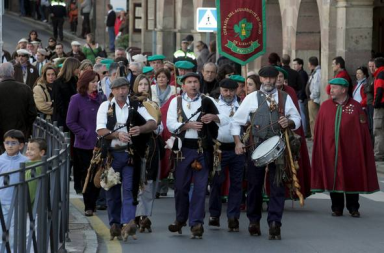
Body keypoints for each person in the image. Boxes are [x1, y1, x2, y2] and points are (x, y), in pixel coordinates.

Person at [231, 66, 301, 239]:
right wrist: (238, 142)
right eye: (265, 78)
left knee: (277, 185)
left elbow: (297, 119)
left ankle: (274, 223)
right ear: (260, 80)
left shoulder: (285, 98)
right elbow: (236, 122)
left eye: (272, 78)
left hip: (279, 147)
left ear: (277, 78)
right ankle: (254, 221)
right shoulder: (251, 98)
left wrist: (289, 122)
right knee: (254, 185)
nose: (268, 81)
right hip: (256, 146)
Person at [96, 77, 157, 239]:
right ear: (113, 91)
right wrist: (116, 134)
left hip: (130, 155)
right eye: (118, 89)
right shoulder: (106, 106)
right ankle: (115, 224)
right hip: (111, 156)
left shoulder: (136, 104)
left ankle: (128, 222)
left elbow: (153, 123)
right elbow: (100, 130)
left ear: (128, 89)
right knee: (112, 191)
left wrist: (140, 128)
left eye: (125, 88)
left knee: (130, 189)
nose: (122, 92)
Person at [311, 78, 379, 217]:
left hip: (351, 151)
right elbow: (319, 129)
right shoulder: (325, 106)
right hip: (330, 150)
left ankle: (353, 207)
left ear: (343, 90)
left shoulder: (356, 107)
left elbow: (362, 130)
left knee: (351, 175)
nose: (331, 90)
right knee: (333, 175)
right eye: (331, 87)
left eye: (334, 88)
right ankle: (337, 207)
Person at [166, 72, 219, 238]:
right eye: (189, 82)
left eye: (195, 81)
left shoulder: (207, 101)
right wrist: (187, 125)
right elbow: (170, 124)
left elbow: (223, 119)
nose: (193, 85)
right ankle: (180, 219)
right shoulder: (176, 101)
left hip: (202, 149)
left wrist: (214, 117)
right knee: (181, 187)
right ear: (183, 85)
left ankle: (196, 223)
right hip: (183, 149)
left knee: (201, 188)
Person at [67, 70, 106, 216]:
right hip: (83, 144)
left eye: (97, 81)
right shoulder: (76, 99)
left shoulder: (102, 98)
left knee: (99, 174)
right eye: (92, 81)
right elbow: (70, 121)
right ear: (85, 83)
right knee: (87, 174)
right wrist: (84, 133)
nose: (95, 84)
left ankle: (94, 202)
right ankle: (88, 205)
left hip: (101, 142)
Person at [208, 78, 245, 232]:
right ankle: (214, 214)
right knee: (217, 182)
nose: (228, 93)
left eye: (231, 90)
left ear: (236, 90)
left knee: (237, 183)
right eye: (225, 90)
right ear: (221, 90)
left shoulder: (243, 104)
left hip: (237, 148)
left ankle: (233, 217)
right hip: (219, 148)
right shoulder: (214, 104)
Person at [131, 74, 163, 232]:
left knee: (148, 180)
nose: (143, 87)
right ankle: (135, 214)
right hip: (134, 145)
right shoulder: (132, 104)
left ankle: (144, 215)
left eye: (146, 84)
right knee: (135, 180)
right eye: (140, 84)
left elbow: (160, 128)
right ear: (136, 86)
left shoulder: (154, 105)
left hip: (151, 145)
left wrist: (154, 125)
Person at [0, 130, 29, 249]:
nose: (10, 146)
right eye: (7, 143)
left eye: (13, 143)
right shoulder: (0, 160)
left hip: (17, 202)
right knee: (1, 232)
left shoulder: (25, 161)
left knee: (13, 233)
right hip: (2, 201)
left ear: (21, 145)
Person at [0, 63, 37, 153]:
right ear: (13, 72)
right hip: (20, 132)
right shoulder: (25, 88)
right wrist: (26, 127)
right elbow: (32, 113)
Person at [52, 57, 81, 131]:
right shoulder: (58, 82)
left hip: (75, 118)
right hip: (63, 119)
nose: (79, 70)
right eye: (77, 68)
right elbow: (59, 103)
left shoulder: (76, 80)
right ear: (72, 68)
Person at [25, 138, 47, 205]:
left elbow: (31, 192)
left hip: (31, 210)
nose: (28, 151)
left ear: (41, 152)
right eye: (28, 149)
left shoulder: (35, 169)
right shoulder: (34, 166)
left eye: (32, 149)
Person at [293, 57, 310, 137]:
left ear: (300, 65)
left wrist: (300, 97)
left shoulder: (302, 73)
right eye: (293, 64)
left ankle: (305, 132)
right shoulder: (299, 73)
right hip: (300, 97)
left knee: (303, 115)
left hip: (301, 98)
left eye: (295, 64)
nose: (294, 66)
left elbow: (302, 87)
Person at [306, 56, 321, 139]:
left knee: (313, 119)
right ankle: (313, 135)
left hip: (314, 99)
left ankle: (315, 136)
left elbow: (317, 87)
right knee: (312, 119)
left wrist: (312, 96)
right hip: (312, 98)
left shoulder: (317, 73)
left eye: (308, 63)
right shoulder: (314, 72)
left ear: (310, 64)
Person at [373, 57, 384, 161]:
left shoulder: (380, 75)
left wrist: (375, 104)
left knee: (378, 131)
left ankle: (378, 154)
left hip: (380, 107)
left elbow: (379, 90)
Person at [365, 59, 375, 139]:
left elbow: (371, 89)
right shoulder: (369, 78)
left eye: (373, 66)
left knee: (374, 126)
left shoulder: (377, 76)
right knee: (370, 125)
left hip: (373, 104)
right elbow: (366, 89)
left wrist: (369, 88)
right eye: (370, 66)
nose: (371, 68)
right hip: (368, 103)